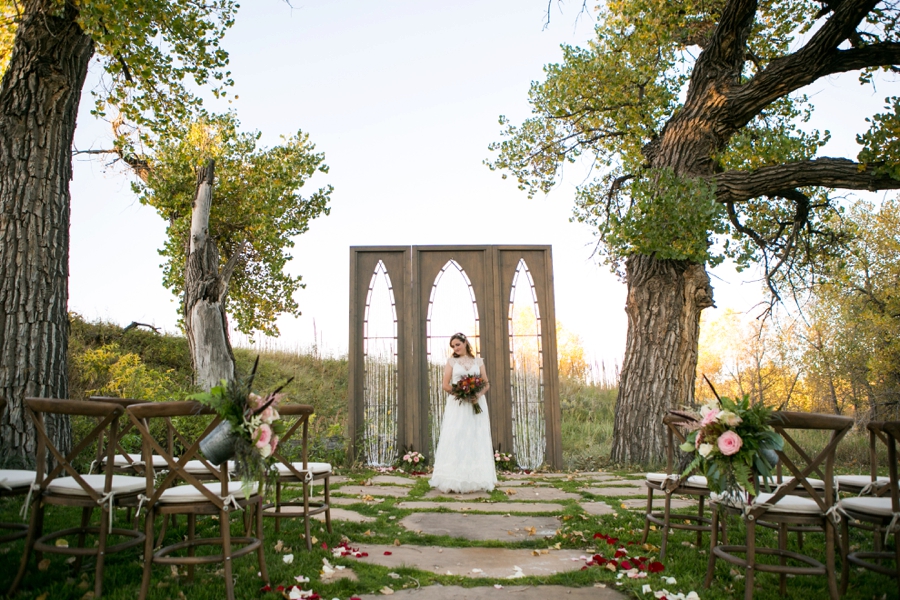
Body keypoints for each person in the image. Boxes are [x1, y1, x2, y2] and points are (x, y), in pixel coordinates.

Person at [429, 332, 498, 493]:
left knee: (475, 436)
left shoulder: (478, 361)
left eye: (457, 344)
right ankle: (454, 478)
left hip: (476, 403)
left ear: (465, 342)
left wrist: (477, 395)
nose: (455, 348)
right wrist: (462, 394)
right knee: (457, 436)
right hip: (458, 405)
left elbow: (486, 383)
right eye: (453, 346)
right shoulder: (452, 362)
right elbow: (445, 385)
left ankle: (475, 478)